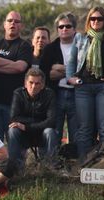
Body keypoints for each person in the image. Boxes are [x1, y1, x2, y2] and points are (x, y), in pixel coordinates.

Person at [66, 6, 104, 163]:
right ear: (88, 21)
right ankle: (84, 164)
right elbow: (71, 62)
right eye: (92, 19)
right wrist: (70, 79)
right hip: (83, 88)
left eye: (99, 19)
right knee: (85, 129)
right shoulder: (80, 38)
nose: (96, 21)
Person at [0, 11, 33, 141]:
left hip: (14, 105)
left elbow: (20, 67)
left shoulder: (24, 46)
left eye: (17, 21)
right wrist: (10, 64)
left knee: (15, 146)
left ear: (21, 26)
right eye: (10, 20)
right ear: (4, 24)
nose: (13, 23)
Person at [39, 13, 79, 156]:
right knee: (54, 130)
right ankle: (53, 164)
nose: (64, 29)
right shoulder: (50, 48)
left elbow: (84, 71)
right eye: (60, 26)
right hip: (55, 94)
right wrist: (71, 70)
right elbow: (45, 74)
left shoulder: (83, 45)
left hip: (77, 94)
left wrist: (58, 68)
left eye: (68, 26)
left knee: (76, 131)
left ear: (74, 29)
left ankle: (75, 163)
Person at [7, 68, 57, 169]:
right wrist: (37, 122)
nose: (33, 86)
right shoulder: (18, 93)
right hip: (24, 135)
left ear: (42, 85)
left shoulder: (50, 94)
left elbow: (51, 121)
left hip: (41, 133)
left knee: (50, 132)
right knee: (13, 130)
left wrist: (27, 126)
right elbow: (13, 118)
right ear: (25, 83)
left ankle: (49, 168)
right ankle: (14, 168)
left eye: (37, 83)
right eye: (31, 82)